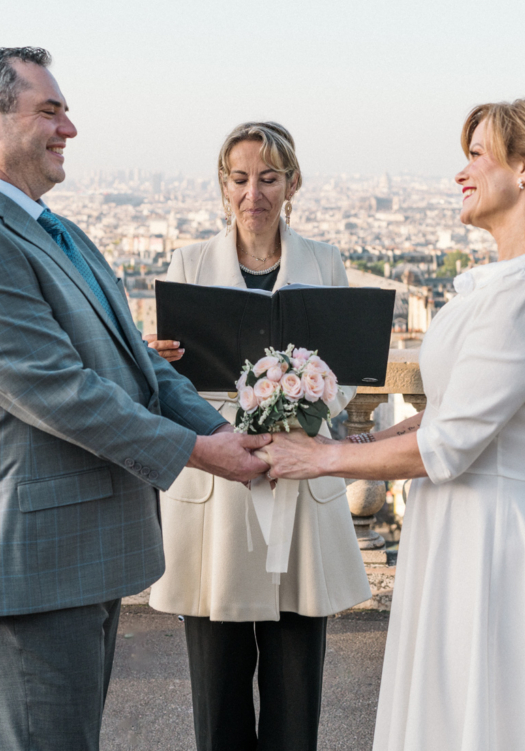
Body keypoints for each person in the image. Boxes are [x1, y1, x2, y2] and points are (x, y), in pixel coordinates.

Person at [0, 48, 271, 751]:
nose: (69, 128)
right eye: (50, 110)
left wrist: (236, 435)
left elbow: (138, 366)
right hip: (24, 567)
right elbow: (57, 391)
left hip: (70, 557)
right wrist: (202, 453)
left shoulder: (55, 230)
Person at [259, 98, 525, 751]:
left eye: (478, 154)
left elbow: (448, 444)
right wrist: (354, 441)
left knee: (474, 718)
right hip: (474, 529)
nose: (462, 172)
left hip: (487, 539)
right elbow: (454, 412)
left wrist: (319, 459)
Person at [144, 122, 371, 751]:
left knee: (296, 680)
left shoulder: (325, 261)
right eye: (241, 179)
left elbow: (345, 376)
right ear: (223, 186)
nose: (254, 193)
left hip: (297, 474)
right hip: (218, 481)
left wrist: (303, 398)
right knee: (216, 687)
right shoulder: (189, 262)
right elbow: (166, 380)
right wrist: (155, 358)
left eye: (268, 178)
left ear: (292, 183)